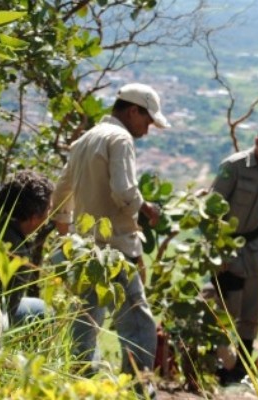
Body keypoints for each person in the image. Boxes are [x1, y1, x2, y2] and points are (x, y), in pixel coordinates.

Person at [52, 83, 168, 378]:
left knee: (85, 323)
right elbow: (124, 192)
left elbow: (61, 191)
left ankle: (80, 384)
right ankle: (138, 388)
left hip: (83, 249)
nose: (147, 129)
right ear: (133, 111)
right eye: (148, 120)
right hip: (114, 250)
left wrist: (65, 237)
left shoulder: (85, 139)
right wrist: (146, 209)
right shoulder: (120, 139)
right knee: (138, 323)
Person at [210, 122, 258, 384]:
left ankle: (240, 368)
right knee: (225, 310)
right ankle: (218, 365)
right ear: (257, 141)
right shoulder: (233, 166)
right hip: (227, 248)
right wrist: (216, 251)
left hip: (254, 250)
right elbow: (212, 208)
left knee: (253, 310)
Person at [0, 170, 53, 327]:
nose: (49, 216)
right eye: (48, 210)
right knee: (43, 311)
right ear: (34, 218)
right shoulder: (18, 252)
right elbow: (6, 310)